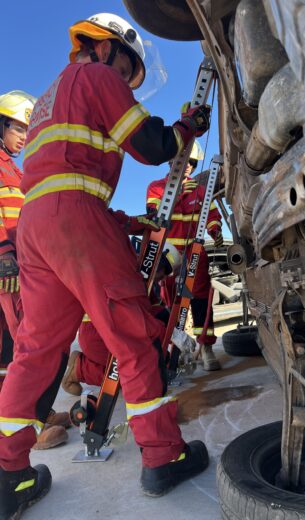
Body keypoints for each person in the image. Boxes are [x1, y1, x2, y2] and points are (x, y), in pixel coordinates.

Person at [0, 13, 211, 518]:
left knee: (35, 352)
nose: (126, 81)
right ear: (110, 50)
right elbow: (151, 146)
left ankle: (10, 476)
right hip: (75, 221)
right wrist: (188, 127)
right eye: (128, 69)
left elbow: (64, 178)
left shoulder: (53, 97)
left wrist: (122, 221)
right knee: (133, 337)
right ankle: (164, 456)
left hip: (38, 228)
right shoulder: (95, 77)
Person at [0, 91, 70, 452]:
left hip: (20, 265)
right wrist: (3, 253)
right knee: (27, 348)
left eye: (28, 128)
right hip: (7, 269)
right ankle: (28, 426)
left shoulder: (14, 168)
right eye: (18, 127)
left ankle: (37, 414)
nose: (24, 136)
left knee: (14, 348)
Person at [61, 241, 185, 394]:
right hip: (98, 335)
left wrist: (170, 334)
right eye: (163, 271)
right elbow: (136, 320)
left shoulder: (142, 277)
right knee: (135, 374)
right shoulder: (128, 274)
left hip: (106, 330)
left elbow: (153, 311)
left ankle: (82, 362)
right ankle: (79, 370)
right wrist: (169, 334)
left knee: (151, 354)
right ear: (156, 261)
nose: (162, 277)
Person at [146, 140, 223, 371]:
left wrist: (215, 229)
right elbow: (155, 216)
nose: (188, 165)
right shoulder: (157, 187)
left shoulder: (201, 191)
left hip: (194, 251)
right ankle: (174, 350)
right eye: (183, 160)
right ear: (171, 161)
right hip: (168, 254)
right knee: (171, 303)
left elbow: (211, 215)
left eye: (192, 162)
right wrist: (177, 193)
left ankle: (206, 348)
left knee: (200, 299)